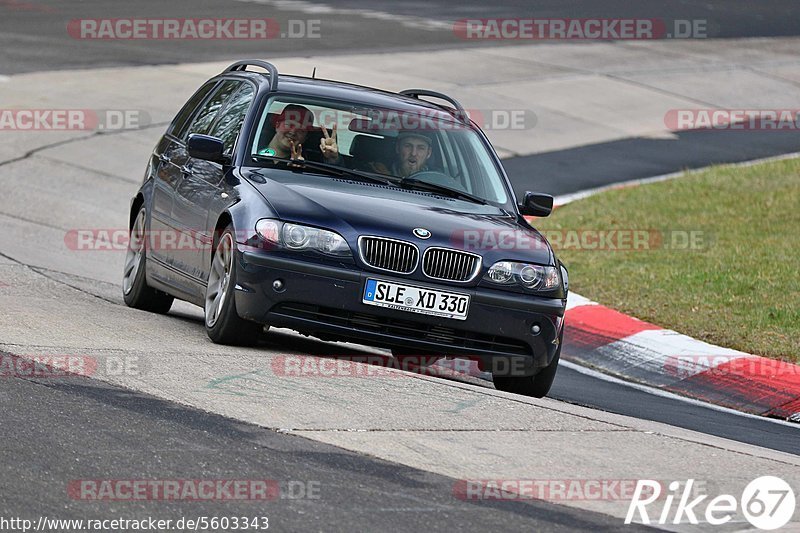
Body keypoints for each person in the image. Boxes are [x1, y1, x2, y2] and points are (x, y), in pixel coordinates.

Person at [258, 104, 339, 163]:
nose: (293, 132)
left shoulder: (307, 164)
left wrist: (333, 159)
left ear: (306, 137)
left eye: (301, 130)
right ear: (277, 125)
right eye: (289, 125)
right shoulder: (251, 148)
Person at [369, 130, 433, 178]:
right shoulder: (378, 172)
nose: (413, 153)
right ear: (397, 148)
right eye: (408, 146)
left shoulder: (436, 180)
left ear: (429, 153)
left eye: (421, 148)